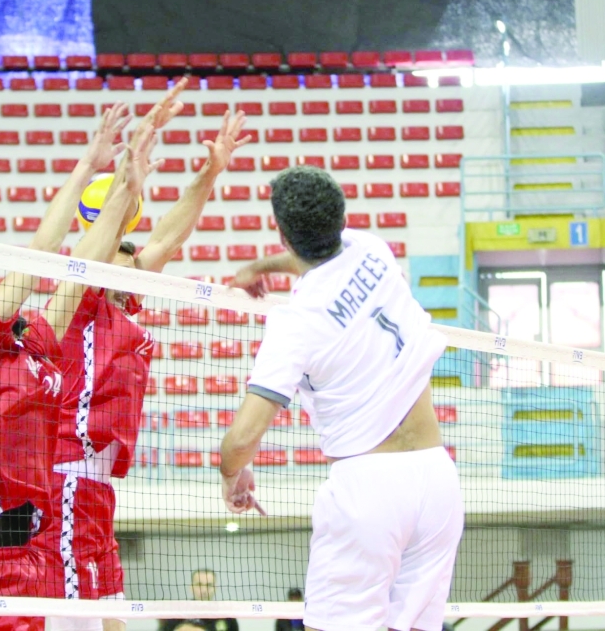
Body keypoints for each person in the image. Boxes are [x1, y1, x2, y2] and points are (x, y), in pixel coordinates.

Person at [221, 165, 465, 631]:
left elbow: (239, 440)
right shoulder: (372, 248)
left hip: (369, 487)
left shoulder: (294, 325)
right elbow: (313, 257)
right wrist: (259, 267)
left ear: (282, 234)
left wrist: (232, 475)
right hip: (437, 478)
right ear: (343, 216)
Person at [37, 98, 251, 631]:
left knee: (113, 614)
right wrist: (126, 176)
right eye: (121, 251)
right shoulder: (78, 295)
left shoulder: (125, 294)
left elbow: (168, 237)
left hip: (97, 485)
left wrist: (209, 170)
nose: (136, 259)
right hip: (65, 474)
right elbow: (109, 241)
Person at [0, 103, 148, 631]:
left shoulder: (35, 351)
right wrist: (84, 169)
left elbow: (77, 272)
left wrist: (122, 187)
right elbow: (40, 255)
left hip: (31, 553)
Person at [158, 569, 238, 631]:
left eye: (209, 585)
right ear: (192, 587)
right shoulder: (177, 613)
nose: (204, 590)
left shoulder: (227, 615)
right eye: (199, 585)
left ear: (215, 588)